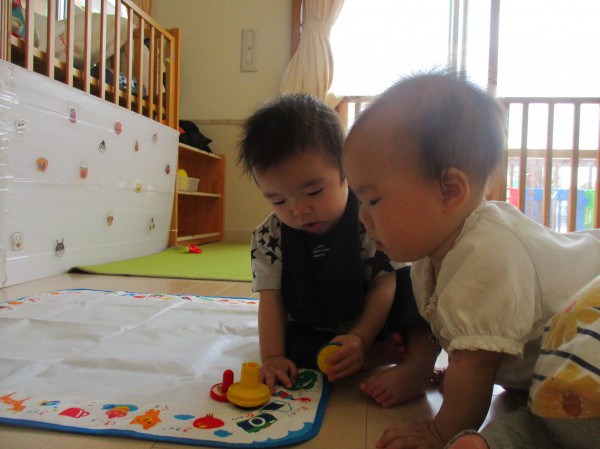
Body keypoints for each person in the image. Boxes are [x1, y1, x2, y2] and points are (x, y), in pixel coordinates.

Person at [342, 69, 600, 449]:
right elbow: (447, 331)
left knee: (569, 425)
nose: (363, 217)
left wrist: (439, 431)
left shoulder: (487, 254)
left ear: (450, 190)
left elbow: (476, 364)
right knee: (520, 413)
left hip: (590, 347)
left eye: (373, 200)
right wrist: (430, 368)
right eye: (359, 201)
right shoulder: (433, 253)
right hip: (546, 374)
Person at [237, 93, 439, 406]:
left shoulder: (368, 218)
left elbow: (383, 285)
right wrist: (273, 357)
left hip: (375, 315)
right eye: (278, 200)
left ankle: (417, 366)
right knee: (289, 346)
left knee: (419, 284)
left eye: (314, 191)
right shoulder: (269, 236)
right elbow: (272, 299)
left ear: (347, 172)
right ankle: (368, 357)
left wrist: (360, 337)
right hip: (317, 326)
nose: (298, 210)